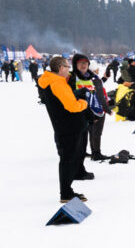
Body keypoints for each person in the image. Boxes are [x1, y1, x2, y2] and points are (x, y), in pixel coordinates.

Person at [38, 55, 91, 204]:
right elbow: (72, 106)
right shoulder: (58, 83)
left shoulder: (50, 81)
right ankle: (66, 193)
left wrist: (74, 95)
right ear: (61, 68)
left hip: (63, 126)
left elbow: (61, 100)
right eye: (67, 67)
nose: (69, 70)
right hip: (69, 127)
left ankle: (67, 191)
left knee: (68, 159)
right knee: (68, 160)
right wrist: (83, 102)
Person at [71, 54, 111, 161]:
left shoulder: (94, 77)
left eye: (85, 63)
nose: (83, 65)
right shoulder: (71, 77)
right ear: (75, 64)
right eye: (80, 63)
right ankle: (81, 152)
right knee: (82, 133)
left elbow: (99, 91)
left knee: (96, 132)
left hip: (96, 108)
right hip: (80, 108)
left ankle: (96, 153)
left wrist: (106, 108)